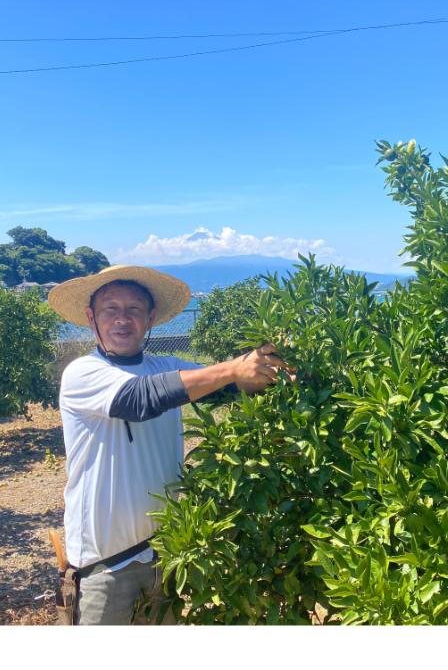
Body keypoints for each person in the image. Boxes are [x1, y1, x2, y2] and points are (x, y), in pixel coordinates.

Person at [47, 264, 287, 625]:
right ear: (91, 317)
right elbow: (140, 398)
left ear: (150, 318)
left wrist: (268, 369)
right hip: (105, 568)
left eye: (134, 309)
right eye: (111, 309)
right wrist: (232, 369)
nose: (122, 319)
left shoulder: (166, 366)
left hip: (165, 554)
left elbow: (224, 389)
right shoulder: (83, 372)